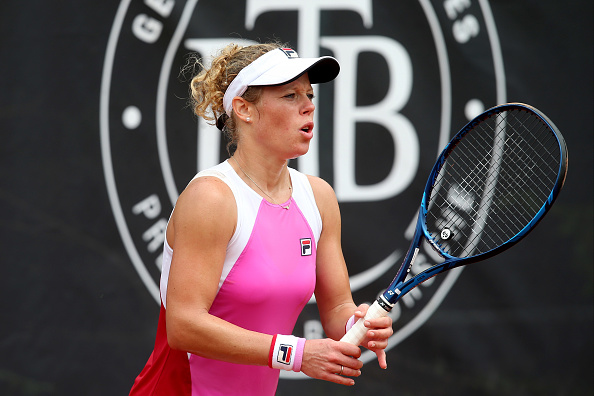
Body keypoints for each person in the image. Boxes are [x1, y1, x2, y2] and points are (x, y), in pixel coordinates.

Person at [129, 42, 393, 395]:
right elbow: (184, 326)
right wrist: (294, 353)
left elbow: (337, 310)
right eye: (290, 95)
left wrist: (359, 324)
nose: (308, 106)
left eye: (309, 94)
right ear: (244, 109)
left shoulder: (318, 198)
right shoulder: (211, 198)